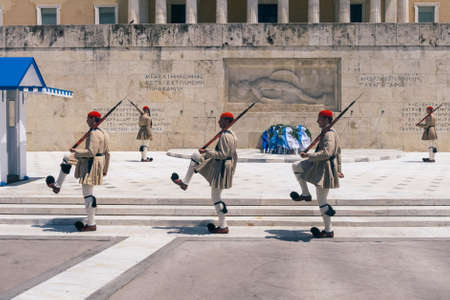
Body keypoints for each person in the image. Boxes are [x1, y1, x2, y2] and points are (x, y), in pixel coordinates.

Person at [171, 112, 238, 234]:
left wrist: (207, 152)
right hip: (223, 166)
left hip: (221, 168)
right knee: (196, 156)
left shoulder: (225, 136)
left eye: (221, 120)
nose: (219, 122)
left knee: (216, 197)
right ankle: (185, 183)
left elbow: (223, 155)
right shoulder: (232, 134)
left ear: (228, 121)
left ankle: (223, 226)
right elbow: (232, 155)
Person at [46, 111, 110, 232]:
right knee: (67, 158)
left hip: (91, 164)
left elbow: (90, 152)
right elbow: (107, 153)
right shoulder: (104, 133)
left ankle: (91, 224)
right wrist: (105, 169)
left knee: (88, 195)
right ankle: (57, 185)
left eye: (88, 119)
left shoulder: (94, 134)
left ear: (93, 119)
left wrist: (75, 150)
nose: (86, 121)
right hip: (98, 162)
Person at [290, 110, 343, 238]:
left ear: (326, 119)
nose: (317, 121)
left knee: (322, 201)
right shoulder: (328, 132)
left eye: (319, 119)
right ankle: (306, 194)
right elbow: (339, 152)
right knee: (297, 166)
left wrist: (308, 155)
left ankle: (328, 230)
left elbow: (328, 153)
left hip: (325, 169)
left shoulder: (329, 134)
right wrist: (339, 168)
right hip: (320, 167)